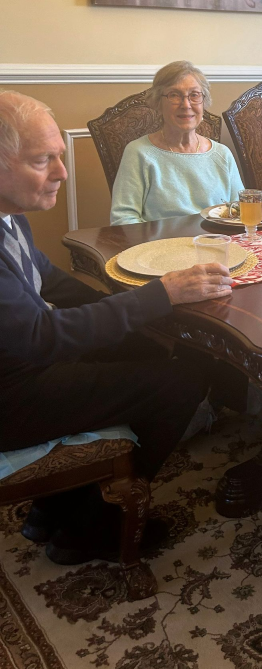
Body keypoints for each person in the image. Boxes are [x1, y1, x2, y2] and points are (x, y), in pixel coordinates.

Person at [0, 91, 235, 564]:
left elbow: (53, 281)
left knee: (147, 349)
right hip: (11, 398)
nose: (62, 173)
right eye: (43, 159)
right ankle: (89, 528)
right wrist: (158, 296)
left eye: (59, 157)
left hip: (22, 370)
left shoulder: (11, 217)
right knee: (183, 380)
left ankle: (57, 505)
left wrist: (133, 314)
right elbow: (43, 337)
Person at [110, 61, 242, 224]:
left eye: (194, 95)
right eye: (174, 95)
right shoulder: (139, 153)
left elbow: (239, 213)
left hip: (217, 243)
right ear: (158, 102)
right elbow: (123, 219)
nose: (186, 105)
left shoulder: (222, 154)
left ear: (203, 101)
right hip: (162, 245)